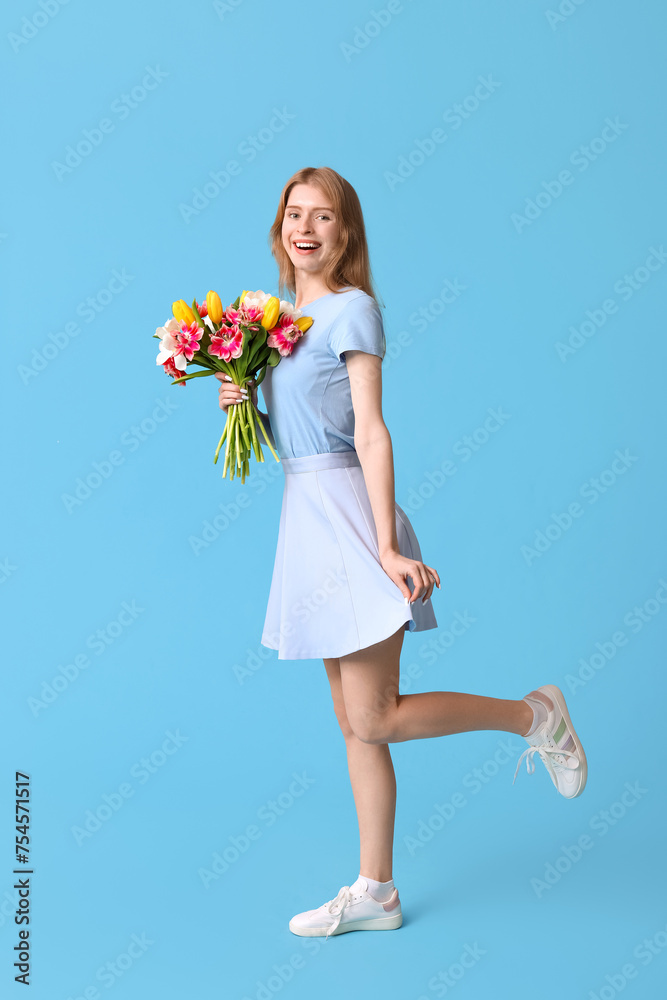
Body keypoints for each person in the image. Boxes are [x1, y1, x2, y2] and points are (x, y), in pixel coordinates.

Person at [215, 166, 587, 940]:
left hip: (350, 517)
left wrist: (384, 545)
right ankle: (376, 891)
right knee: (353, 725)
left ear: (346, 234)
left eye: (323, 216)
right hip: (304, 522)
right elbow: (296, 425)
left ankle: (534, 715)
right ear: (279, 227)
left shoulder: (352, 311)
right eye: (293, 214)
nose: (305, 227)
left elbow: (371, 430)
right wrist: (241, 395)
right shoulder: (274, 321)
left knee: (374, 717)